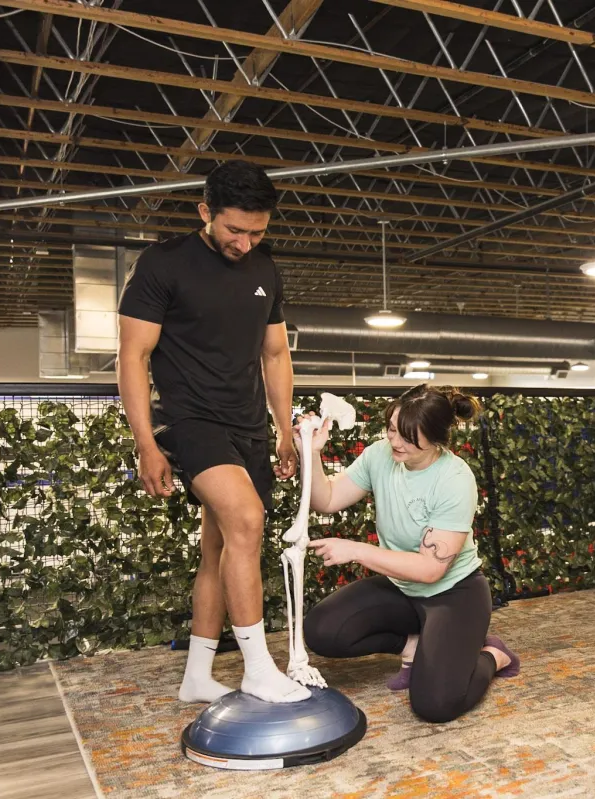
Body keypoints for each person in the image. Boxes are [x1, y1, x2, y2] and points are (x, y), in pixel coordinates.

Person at [117, 160, 312, 704]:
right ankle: (257, 667)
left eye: (258, 231)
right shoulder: (162, 264)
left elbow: (276, 354)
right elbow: (132, 357)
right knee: (248, 520)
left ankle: (197, 676)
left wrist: (281, 429)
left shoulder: (265, 268)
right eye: (234, 230)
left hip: (247, 423)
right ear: (205, 212)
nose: (246, 242)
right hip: (189, 420)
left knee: (220, 546)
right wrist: (146, 443)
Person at [300, 385, 520, 724]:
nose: (395, 441)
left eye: (407, 436)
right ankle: (413, 646)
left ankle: (493, 655)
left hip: (454, 594)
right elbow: (326, 500)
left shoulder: (455, 479)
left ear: (435, 438)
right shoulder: (379, 455)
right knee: (322, 629)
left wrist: (357, 549)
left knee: (435, 705)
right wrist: (312, 453)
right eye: (391, 429)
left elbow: (431, 570)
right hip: (403, 589)